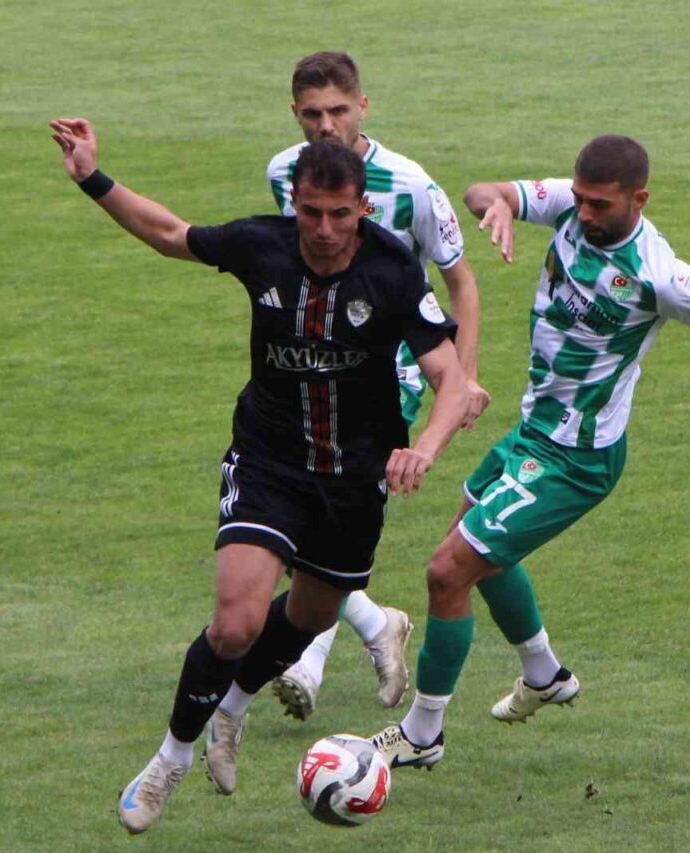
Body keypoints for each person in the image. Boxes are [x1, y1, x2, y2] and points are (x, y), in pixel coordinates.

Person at [49, 119, 467, 833]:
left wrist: (424, 446)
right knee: (235, 622)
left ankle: (233, 709)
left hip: (353, 477)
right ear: (293, 203)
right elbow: (169, 234)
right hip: (269, 459)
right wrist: (93, 177)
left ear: (363, 207)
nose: (325, 229)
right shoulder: (262, 245)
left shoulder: (393, 268)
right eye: (311, 212)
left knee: (309, 617)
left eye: (340, 214)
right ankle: (170, 760)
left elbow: (450, 379)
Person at [369, 135, 690, 769]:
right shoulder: (570, 207)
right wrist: (497, 204)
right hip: (534, 432)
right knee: (475, 550)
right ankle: (545, 674)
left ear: (639, 200)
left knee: (448, 571)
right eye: (579, 199)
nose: (583, 213)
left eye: (600, 204)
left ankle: (423, 733)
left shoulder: (660, 276)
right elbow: (481, 191)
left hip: (576, 458)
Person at [258, 51, 491, 724]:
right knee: (288, 509)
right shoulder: (283, 172)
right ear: (295, 113)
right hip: (306, 372)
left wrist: (464, 376)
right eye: (312, 113)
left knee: (316, 511)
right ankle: (372, 622)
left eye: (339, 110)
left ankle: (308, 659)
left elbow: (461, 281)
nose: (326, 125)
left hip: (390, 377)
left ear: (363, 106)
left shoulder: (412, 186)